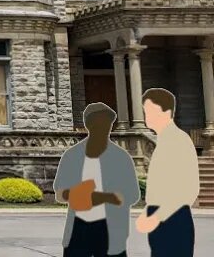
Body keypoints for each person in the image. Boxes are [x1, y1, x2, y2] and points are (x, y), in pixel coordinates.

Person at [54, 103, 140, 256]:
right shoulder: (72, 156)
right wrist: (79, 195)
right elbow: (60, 194)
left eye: (108, 123)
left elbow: (133, 195)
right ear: (88, 124)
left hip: (111, 228)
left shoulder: (120, 158)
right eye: (99, 122)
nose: (104, 127)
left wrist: (107, 197)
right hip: (78, 228)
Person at [135, 88, 198, 256]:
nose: (146, 116)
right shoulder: (163, 141)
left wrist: (156, 217)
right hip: (161, 217)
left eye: (149, 111)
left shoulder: (178, 141)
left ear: (167, 112)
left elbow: (188, 189)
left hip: (173, 219)